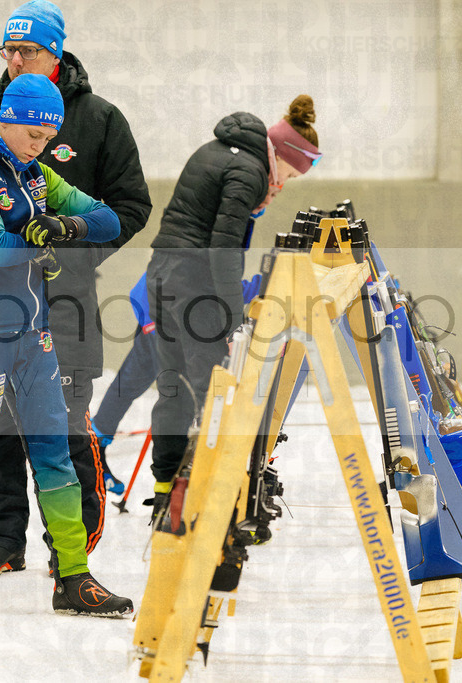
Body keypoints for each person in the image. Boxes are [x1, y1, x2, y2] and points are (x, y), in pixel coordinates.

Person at [0, 0, 151, 577]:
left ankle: (69, 554)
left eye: (28, 51)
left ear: (56, 56)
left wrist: (73, 243)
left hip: (65, 303)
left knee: (63, 429)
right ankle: (0, 540)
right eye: (9, 51)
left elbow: (130, 208)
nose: (16, 60)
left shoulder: (100, 119)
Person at [146, 95, 322, 511]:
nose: (281, 187)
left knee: (174, 387)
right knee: (214, 388)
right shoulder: (250, 170)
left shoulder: (226, 152)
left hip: (163, 273)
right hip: (192, 283)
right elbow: (224, 249)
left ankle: (165, 490)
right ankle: (210, 492)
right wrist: (232, 314)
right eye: (290, 176)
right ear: (282, 157)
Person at [91, 272, 263, 494]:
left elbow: (218, 284)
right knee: (173, 392)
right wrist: (262, 283)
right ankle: (100, 454)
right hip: (162, 313)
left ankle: (93, 451)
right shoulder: (211, 247)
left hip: (160, 308)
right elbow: (220, 282)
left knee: (132, 383)